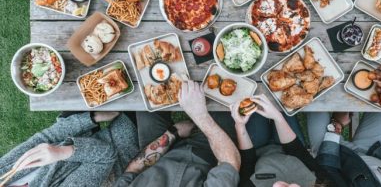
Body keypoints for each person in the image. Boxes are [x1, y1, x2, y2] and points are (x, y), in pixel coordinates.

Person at [114, 80, 241, 186]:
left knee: (148, 93)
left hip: (157, 156)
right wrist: (200, 115)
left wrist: (173, 132)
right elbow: (230, 163)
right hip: (207, 153)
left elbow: (134, 169)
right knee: (225, 97)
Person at [0, 112, 138, 187]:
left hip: (81, 135)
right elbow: (106, 156)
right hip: (120, 143)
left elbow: (46, 137)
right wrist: (59, 152)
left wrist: (91, 118)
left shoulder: (2, 173)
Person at [230, 94, 334, 187]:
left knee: (250, 97)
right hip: (289, 149)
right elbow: (297, 151)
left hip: (256, 149)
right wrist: (277, 117)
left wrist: (240, 125)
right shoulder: (321, 182)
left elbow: (247, 161)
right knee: (282, 98)